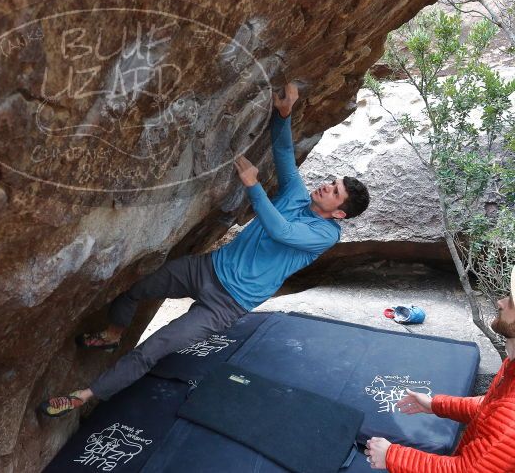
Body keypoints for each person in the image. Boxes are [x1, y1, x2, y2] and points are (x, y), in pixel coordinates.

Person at [40, 82, 371, 417]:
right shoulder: (297, 195)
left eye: (334, 191)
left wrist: (253, 187)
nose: (327, 186)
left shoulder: (325, 235)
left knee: (153, 349)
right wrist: (283, 114)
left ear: (339, 213)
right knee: (136, 288)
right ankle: (113, 334)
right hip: (207, 268)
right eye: (332, 182)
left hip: (227, 304)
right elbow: (284, 153)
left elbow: (281, 231)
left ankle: (84, 396)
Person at [365, 267, 515, 472]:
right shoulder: (512, 366)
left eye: (512, 302)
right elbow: (489, 409)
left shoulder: (511, 419)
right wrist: (435, 405)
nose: (500, 302)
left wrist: (392, 456)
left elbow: (466, 470)